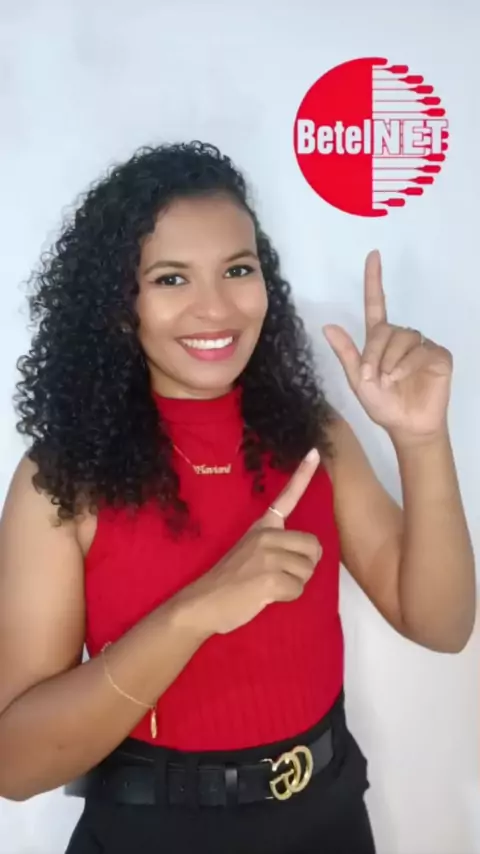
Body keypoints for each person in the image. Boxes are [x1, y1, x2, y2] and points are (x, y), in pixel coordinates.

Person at [0, 141, 475, 854]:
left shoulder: (312, 436)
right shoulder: (63, 477)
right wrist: (195, 612)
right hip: (152, 836)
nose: (215, 307)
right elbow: (14, 765)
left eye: (237, 269)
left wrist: (423, 440)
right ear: (119, 305)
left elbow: (443, 625)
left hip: (328, 820)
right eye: (170, 279)